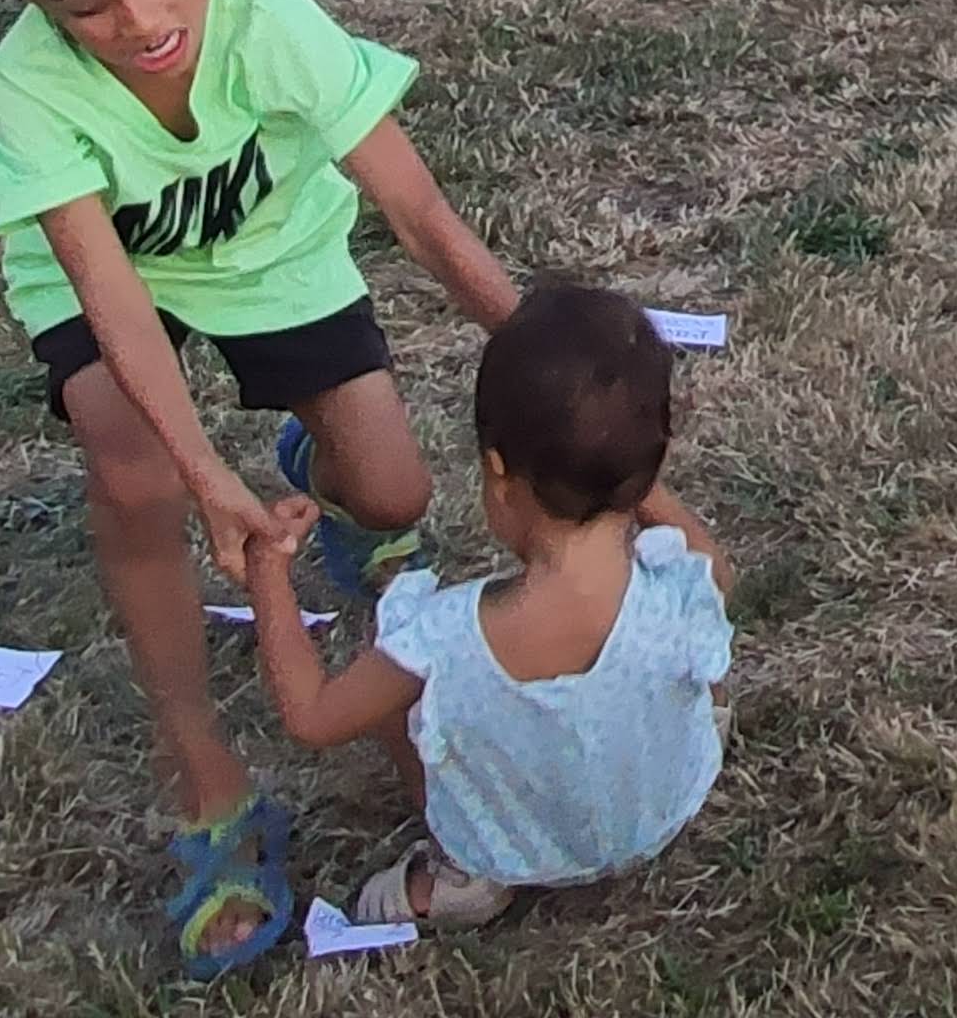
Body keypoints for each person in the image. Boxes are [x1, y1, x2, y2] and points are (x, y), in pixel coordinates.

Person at [0, 0, 524, 985]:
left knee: (392, 497)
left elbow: (418, 214)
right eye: (83, 5)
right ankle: (205, 778)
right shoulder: (30, 87)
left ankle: (313, 461)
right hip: (118, 275)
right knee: (129, 463)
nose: (138, 21)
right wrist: (204, 481)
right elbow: (112, 304)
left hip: (267, 247)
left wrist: (551, 368)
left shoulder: (271, 20)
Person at [236, 281, 730, 933]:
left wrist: (268, 571)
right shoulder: (681, 580)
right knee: (693, 656)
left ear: (498, 471)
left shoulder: (443, 636)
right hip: (659, 814)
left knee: (401, 700)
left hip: (511, 851)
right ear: (648, 467)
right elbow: (713, 569)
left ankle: (464, 872)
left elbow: (312, 716)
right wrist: (625, 472)